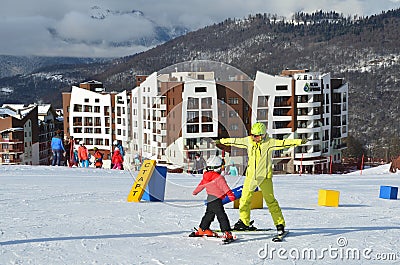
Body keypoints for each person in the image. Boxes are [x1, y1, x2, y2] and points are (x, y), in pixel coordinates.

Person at [215, 122, 307, 236]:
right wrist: (222, 141)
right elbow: (235, 141)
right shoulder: (249, 141)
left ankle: (280, 224)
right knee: (244, 200)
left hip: (265, 177)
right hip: (251, 177)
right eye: (253, 135)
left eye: (257, 136)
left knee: (271, 201)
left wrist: (299, 141)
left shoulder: (270, 143)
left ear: (263, 135)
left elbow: (284, 143)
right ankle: (244, 222)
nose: (254, 138)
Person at [190, 156, 236, 241]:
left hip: (210, 198)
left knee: (209, 214)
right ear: (217, 168)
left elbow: (201, 185)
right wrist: (230, 195)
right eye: (222, 166)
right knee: (221, 215)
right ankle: (227, 232)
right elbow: (225, 187)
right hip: (216, 199)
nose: (223, 168)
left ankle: (202, 229)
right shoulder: (219, 178)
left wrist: (195, 191)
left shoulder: (206, 176)